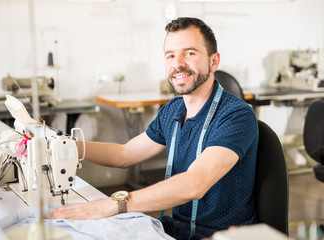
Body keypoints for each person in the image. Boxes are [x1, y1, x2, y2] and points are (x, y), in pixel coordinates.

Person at [51, 17, 259, 239]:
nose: (177, 63)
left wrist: (115, 204)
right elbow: (124, 154)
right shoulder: (173, 110)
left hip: (217, 235)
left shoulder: (235, 114)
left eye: (189, 53)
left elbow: (194, 184)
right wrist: (66, 147)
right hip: (175, 230)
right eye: (170, 55)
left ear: (214, 61)